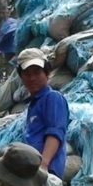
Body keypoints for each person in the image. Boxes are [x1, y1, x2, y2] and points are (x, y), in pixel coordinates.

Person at [16, 48, 69, 178]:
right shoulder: (34, 104)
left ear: (47, 73)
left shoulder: (53, 98)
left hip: (45, 172)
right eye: (27, 74)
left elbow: (55, 133)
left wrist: (43, 166)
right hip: (32, 171)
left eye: (37, 72)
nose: (32, 78)